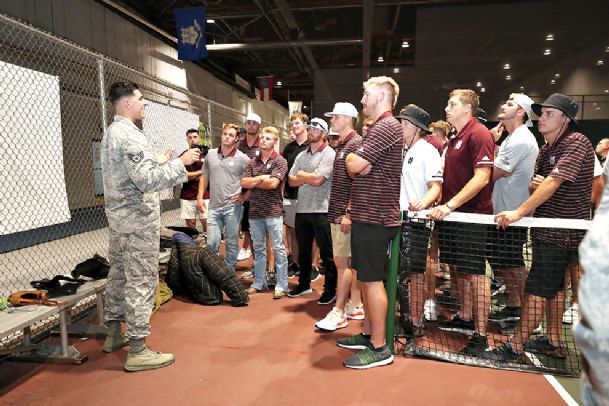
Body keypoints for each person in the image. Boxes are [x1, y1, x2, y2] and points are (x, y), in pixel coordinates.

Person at [482, 93, 595, 362]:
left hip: (563, 233)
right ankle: (553, 340)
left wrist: (519, 211)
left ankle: (516, 345)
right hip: (546, 231)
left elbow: (553, 182)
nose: (541, 118)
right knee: (555, 289)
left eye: (549, 114)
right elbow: (539, 182)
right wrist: (537, 186)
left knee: (535, 290)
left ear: (565, 119)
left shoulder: (576, 142)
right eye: (541, 113)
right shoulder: (546, 150)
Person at [101, 81, 200, 372]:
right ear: (127, 103)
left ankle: (114, 332)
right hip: (136, 223)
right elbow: (147, 182)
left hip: (120, 221)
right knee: (141, 280)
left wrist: (157, 161)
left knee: (118, 275)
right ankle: (138, 349)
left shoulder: (112, 133)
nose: (145, 104)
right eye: (141, 99)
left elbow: (128, 172)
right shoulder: (131, 135)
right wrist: (180, 164)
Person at [340, 76, 402, 369]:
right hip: (368, 215)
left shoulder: (387, 126)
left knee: (373, 280)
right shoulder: (378, 128)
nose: (362, 99)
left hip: (376, 217)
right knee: (365, 278)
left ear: (381, 95)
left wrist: (358, 161)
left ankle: (379, 347)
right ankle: (367, 334)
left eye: (366, 94)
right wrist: (359, 162)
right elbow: (355, 168)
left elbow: (353, 165)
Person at [429, 89, 495, 356]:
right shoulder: (456, 136)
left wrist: (450, 205)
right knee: (458, 270)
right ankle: (466, 316)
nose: (447, 108)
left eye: (452, 104)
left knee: (476, 275)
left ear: (467, 108)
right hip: (453, 217)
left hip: (471, 217)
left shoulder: (479, 134)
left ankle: (481, 336)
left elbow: (482, 178)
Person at [486, 94, 539, 325]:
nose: (503, 105)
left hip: (513, 214)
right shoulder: (511, 138)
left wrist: (493, 162)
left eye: (510, 104)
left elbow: (491, 174)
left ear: (521, 113)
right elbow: (497, 170)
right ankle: (515, 304)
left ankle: (525, 310)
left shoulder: (521, 139)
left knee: (513, 261)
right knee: (505, 260)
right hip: (503, 213)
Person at [315, 102, 365, 331]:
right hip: (338, 213)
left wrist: (349, 213)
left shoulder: (355, 143)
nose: (332, 120)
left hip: (344, 215)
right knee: (347, 264)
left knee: (342, 263)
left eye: (335, 116)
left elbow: (360, 181)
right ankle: (355, 305)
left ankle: (340, 311)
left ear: (347, 118)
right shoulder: (345, 144)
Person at [396, 105, 442, 338]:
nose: (400, 127)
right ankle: (404, 317)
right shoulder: (403, 150)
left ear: (415, 127)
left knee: (414, 274)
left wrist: (423, 203)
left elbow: (436, 188)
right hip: (399, 221)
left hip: (416, 223)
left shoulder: (428, 151)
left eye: (404, 123)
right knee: (399, 274)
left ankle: (415, 321)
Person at [287, 118, 337, 305]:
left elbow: (319, 180)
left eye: (315, 129)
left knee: (327, 253)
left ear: (324, 134)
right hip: (303, 209)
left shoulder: (329, 153)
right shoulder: (302, 155)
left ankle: (330, 290)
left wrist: (303, 176)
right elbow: (292, 180)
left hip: (322, 209)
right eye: (309, 128)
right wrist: (309, 176)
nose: (310, 131)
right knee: (304, 251)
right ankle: (304, 284)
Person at [240, 126, 289, 299]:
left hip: (273, 212)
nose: (263, 140)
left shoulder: (280, 161)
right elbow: (244, 182)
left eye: (268, 138)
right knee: (259, 249)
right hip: (255, 212)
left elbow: (273, 184)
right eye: (262, 138)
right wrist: (262, 178)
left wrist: (256, 181)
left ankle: (282, 285)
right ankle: (258, 282)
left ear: (275, 142)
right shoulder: (252, 162)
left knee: (278, 249)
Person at [197, 123, 250, 271]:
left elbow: (253, 178)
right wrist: (200, 197)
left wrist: (245, 195)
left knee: (232, 241)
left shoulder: (242, 159)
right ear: (221, 135)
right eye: (225, 134)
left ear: (236, 139)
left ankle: (229, 271)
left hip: (233, 207)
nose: (227, 137)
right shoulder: (211, 155)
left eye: (231, 135)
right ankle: (213, 272)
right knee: (212, 242)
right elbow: (204, 176)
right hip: (214, 206)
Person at [282, 112, 310, 278]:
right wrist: (282, 194)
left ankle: (311, 265)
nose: (294, 126)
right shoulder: (289, 148)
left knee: (309, 233)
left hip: (309, 197)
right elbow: (284, 174)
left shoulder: (311, 145)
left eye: (297, 123)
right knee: (292, 231)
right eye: (292, 124)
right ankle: (296, 263)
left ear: (305, 125)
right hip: (291, 195)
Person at [237, 113, 262, 264]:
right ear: (245, 124)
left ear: (259, 126)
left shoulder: (263, 143)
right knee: (246, 229)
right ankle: (255, 262)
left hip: (260, 195)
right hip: (240, 194)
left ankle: (264, 266)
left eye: (255, 123)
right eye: (249, 122)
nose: (251, 125)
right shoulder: (238, 145)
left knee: (260, 232)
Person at [179, 129, 208, 233]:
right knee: (190, 223)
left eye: (195, 137)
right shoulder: (183, 157)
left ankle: (207, 243)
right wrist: (201, 172)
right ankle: (194, 245)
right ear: (187, 139)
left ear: (199, 138)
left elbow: (209, 175)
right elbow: (182, 177)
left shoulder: (206, 155)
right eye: (190, 137)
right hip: (188, 194)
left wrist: (191, 176)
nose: (192, 140)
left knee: (206, 221)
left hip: (205, 194)